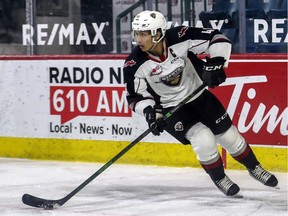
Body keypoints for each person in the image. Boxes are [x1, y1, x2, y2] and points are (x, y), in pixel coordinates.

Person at [123, 10, 278, 197]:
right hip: (171, 109)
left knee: (229, 137)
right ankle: (220, 178)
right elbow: (136, 97)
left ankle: (255, 168)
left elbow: (216, 38)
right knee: (203, 139)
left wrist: (216, 63)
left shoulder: (180, 36)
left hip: (199, 96)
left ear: (157, 33)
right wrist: (151, 114)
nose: (138, 39)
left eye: (143, 33)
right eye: (137, 33)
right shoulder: (134, 64)